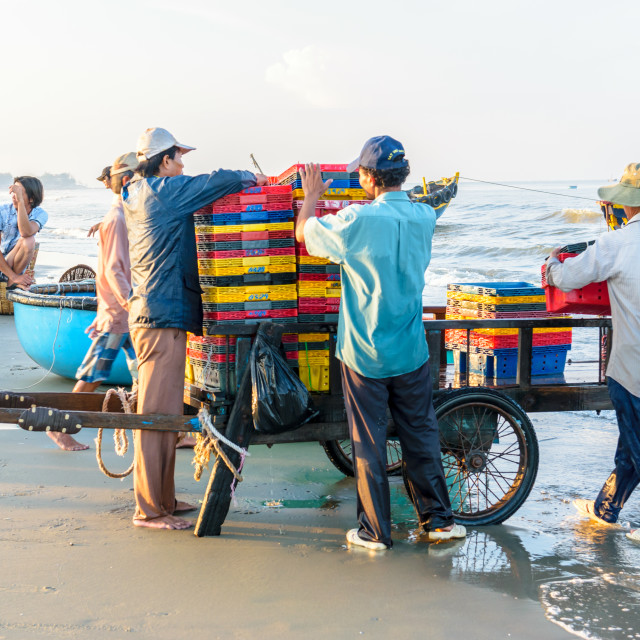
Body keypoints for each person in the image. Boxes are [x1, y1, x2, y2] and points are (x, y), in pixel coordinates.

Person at [297, 136, 466, 550]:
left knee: (368, 444)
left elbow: (306, 234)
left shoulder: (356, 221)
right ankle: (439, 522)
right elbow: (428, 205)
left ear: (370, 178)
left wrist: (311, 196)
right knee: (421, 436)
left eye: (360, 172)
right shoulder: (424, 217)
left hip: (365, 353)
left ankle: (374, 532)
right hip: (410, 349)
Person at [122, 127, 268, 530]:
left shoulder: (138, 192)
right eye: (179, 157)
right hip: (159, 315)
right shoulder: (162, 192)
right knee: (154, 416)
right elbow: (217, 180)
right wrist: (252, 177)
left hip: (161, 313)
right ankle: (148, 510)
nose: (184, 164)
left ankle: (163, 499)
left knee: (167, 412)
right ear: (164, 160)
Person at [545, 162, 640, 544]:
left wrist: (553, 263)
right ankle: (605, 510)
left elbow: (568, 278)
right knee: (630, 449)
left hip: (632, 369)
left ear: (626, 205)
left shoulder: (616, 243)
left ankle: (606, 511)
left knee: (635, 446)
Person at [49, 153, 140, 452]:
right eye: (141, 179)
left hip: (127, 313)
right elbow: (114, 269)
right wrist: (131, 304)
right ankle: (60, 428)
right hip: (119, 314)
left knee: (146, 376)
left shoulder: (120, 216)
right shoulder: (116, 219)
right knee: (91, 377)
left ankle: (166, 433)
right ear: (127, 181)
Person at [0, 177, 47, 289]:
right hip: (3, 264)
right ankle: (12, 279)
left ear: (31, 198)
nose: (13, 195)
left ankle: (11, 282)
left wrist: (20, 202)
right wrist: (14, 276)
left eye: (19, 192)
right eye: (14, 192)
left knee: (29, 240)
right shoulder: (2, 211)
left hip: (19, 266)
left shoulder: (40, 214)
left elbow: (25, 232)